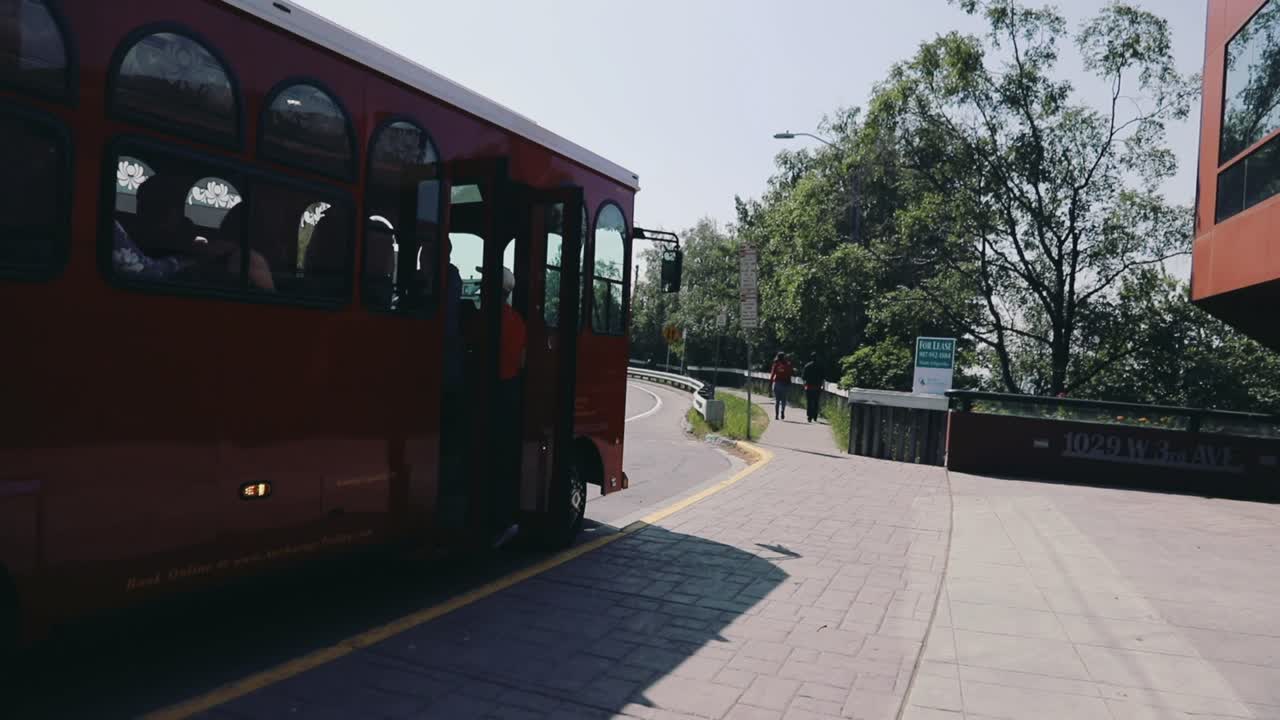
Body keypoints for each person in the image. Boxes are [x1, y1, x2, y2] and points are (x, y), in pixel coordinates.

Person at [769, 351, 794, 421]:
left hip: (777, 383)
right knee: (784, 400)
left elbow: (772, 374)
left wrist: (770, 383)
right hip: (785, 384)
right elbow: (791, 373)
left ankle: (776, 415)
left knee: (777, 400)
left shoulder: (776, 364)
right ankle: (782, 411)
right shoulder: (788, 364)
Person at [803, 353, 823, 423]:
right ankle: (815, 416)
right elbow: (822, 377)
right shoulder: (820, 366)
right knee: (816, 401)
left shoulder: (807, 366)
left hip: (809, 386)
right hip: (817, 387)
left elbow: (804, 377)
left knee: (809, 401)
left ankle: (809, 416)